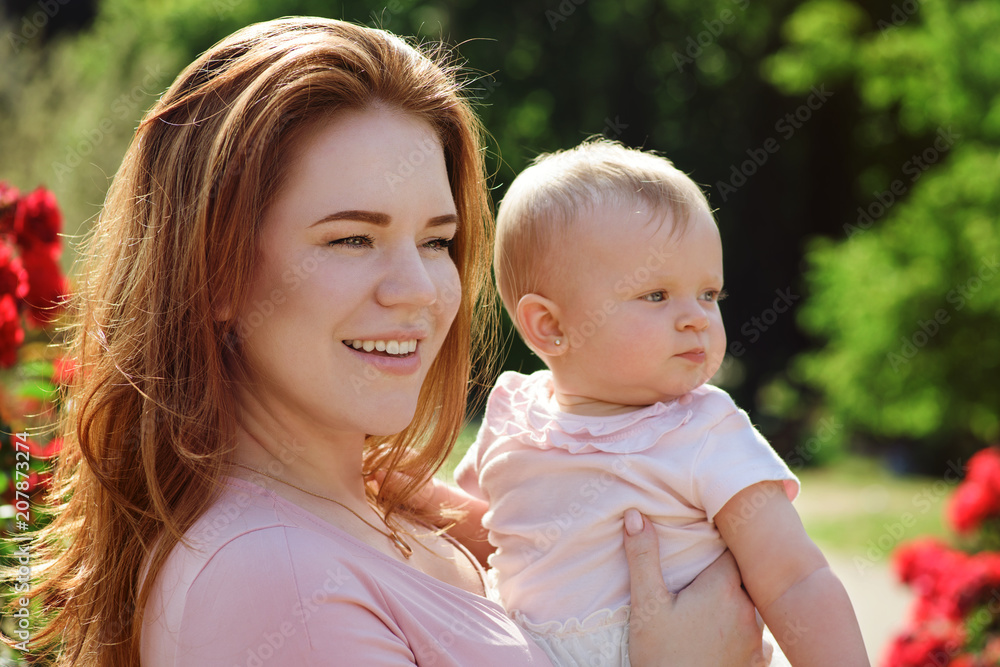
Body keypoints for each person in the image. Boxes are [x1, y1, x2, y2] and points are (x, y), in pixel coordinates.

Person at [21, 18, 771, 667]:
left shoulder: (393, 505)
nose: (418, 289)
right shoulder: (272, 575)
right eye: (352, 238)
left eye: (438, 240)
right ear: (215, 271)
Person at [453, 139, 870, 666]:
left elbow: (795, 579)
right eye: (656, 295)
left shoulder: (706, 431)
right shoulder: (514, 412)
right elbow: (464, 519)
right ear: (551, 325)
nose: (697, 317)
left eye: (709, 294)